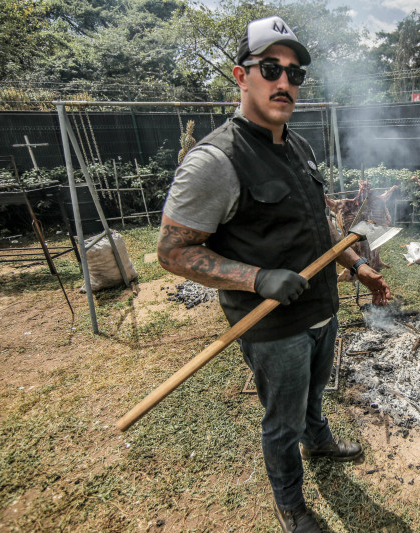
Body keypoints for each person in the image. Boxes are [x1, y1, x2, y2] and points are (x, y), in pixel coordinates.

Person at [157, 15, 391, 533]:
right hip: (271, 325)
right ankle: (290, 504)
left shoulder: (299, 146)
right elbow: (173, 253)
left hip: (321, 308)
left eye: (295, 73)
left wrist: (355, 265)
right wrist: (258, 278)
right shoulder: (214, 161)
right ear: (242, 76)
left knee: (313, 396)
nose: (285, 82)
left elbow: (321, 224)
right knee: (280, 422)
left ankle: (321, 441)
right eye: (270, 68)